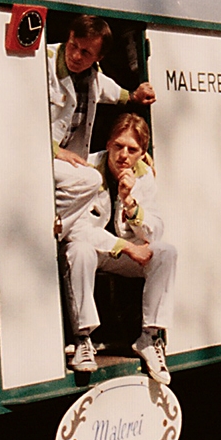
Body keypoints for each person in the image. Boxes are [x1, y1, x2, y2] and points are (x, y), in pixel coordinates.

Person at [62, 114, 177, 383]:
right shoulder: (86, 168)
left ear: (142, 153)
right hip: (93, 251)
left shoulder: (143, 175)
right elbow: (76, 229)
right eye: (118, 146)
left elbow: (154, 230)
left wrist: (130, 204)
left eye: (132, 149)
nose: (124, 155)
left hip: (119, 254)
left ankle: (149, 337)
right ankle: (83, 339)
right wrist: (126, 247)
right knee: (78, 249)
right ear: (108, 144)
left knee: (165, 252)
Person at [50, 15, 155, 239]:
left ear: (99, 57)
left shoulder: (92, 77)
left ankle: (62, 233)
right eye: (73, 45)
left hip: (63, 164)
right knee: (91, 179)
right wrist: (56, 150)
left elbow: (114, 92)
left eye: (86, 52)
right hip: (40, 157)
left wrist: (135, 96)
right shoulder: (44, 63)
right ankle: (53, 234)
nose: (76, 56)